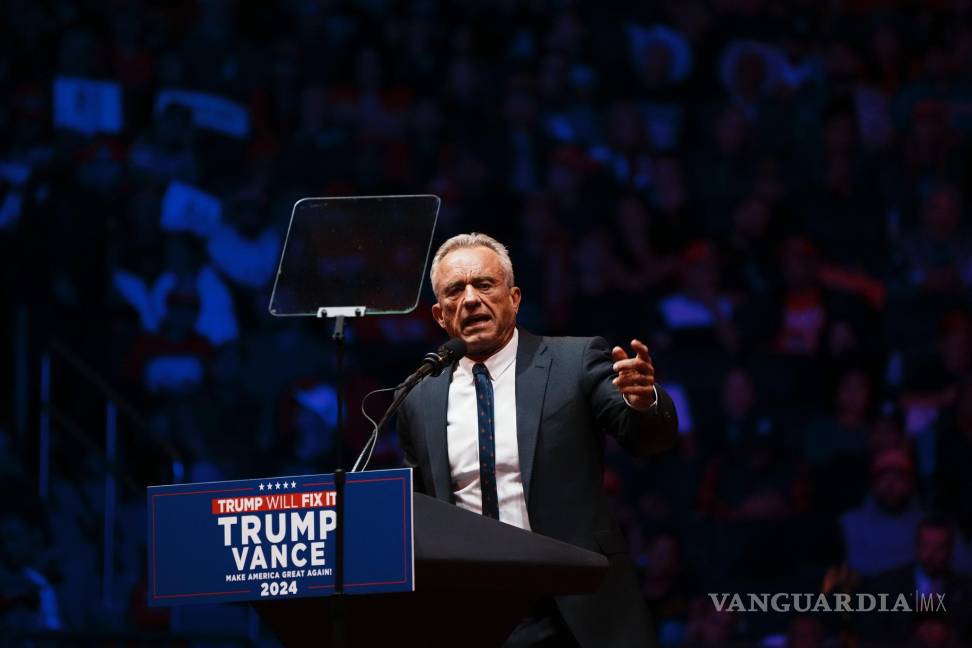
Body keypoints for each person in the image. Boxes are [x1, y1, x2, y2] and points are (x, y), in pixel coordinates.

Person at [396, 232, 679, 647]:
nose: (471, 299)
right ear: (440, 315)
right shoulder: (418, 396)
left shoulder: (573, 361)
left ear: (514, 298)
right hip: (473, 610)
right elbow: (418, 508)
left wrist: (642, 402)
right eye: (456, 290)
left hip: (575, 602)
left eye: (485, 285)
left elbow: (646, 440)